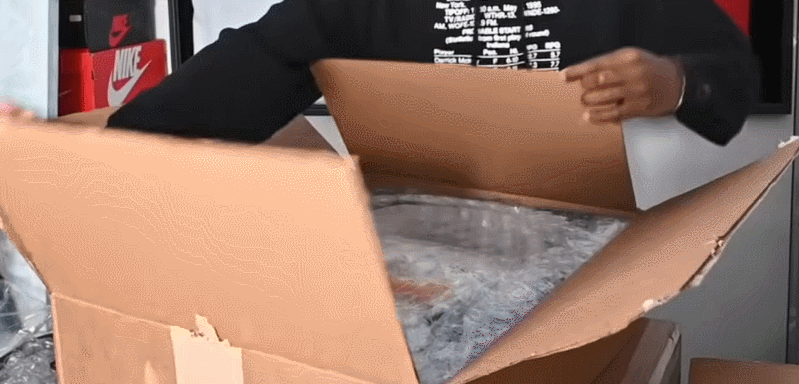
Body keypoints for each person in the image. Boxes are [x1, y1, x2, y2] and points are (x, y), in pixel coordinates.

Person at [4, 0, 757, 146]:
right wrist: (92, 149)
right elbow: (248, 65)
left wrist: (674, 80)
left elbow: (734, 71)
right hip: (416, 250)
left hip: (589, 245)